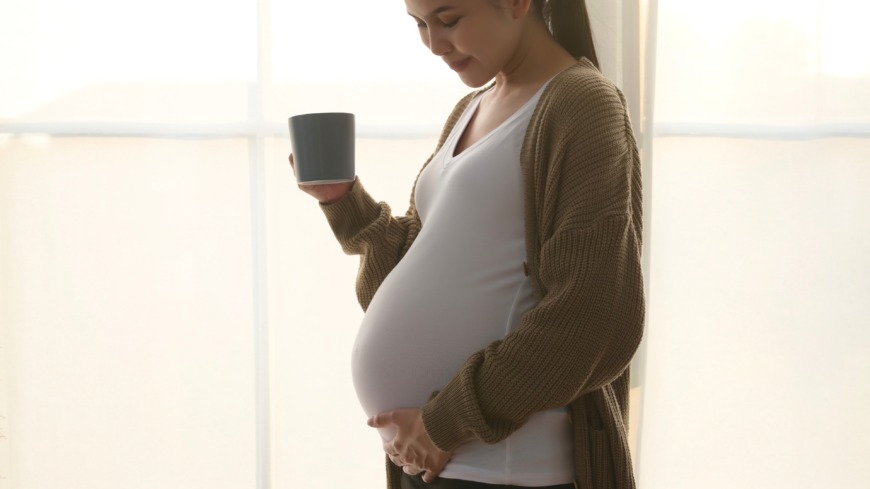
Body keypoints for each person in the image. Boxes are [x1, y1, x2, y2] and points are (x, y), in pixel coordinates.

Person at [290, 0, 644, 487]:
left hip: (504, 468)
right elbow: (411, 272)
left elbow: (594, 314)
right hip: (432, 457)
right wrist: (345, 202)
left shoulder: (581, 103)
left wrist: (442, 423)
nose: (434, 45)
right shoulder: (471, 108)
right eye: (420, 25)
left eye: (448, 20)